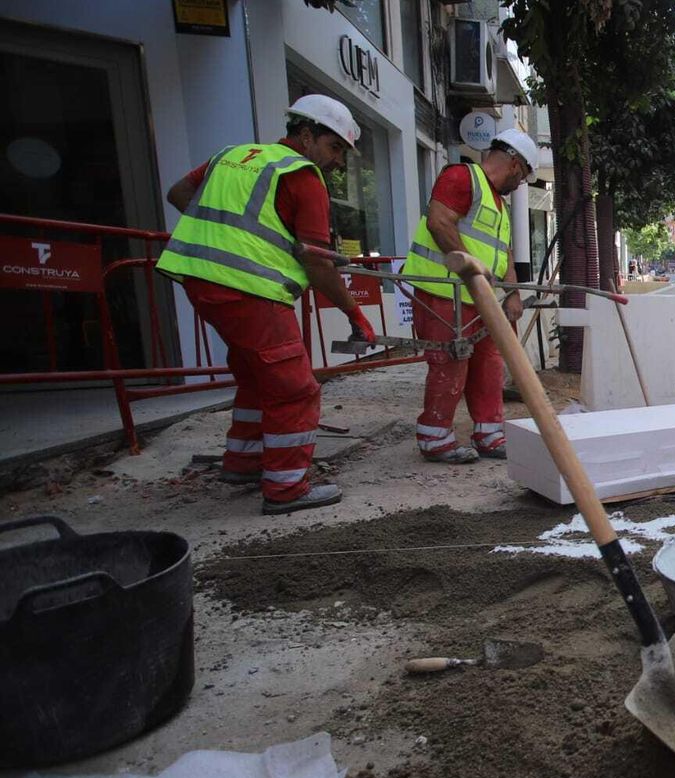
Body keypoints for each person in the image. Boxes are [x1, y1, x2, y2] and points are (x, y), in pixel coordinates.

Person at [156, 95, 372, 515]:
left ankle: (243, 462)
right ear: (306, 135)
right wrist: (353, 312)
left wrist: (225, 236)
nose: (337, 162)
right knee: (294, 389)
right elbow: (318, 265)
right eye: (334, 148)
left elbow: (179, 193)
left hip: (201, 281)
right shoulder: (302, 175)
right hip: (249, 290)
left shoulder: (232, 155)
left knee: (258, 377)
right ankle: (287, 487)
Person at [401, 128, 536, 463]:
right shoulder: (462, 177)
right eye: (522, 179)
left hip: (478, 299)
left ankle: (489, 434)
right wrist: (473, 271)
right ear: (515, 165)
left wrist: (513, 295)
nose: (519, 186)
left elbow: (503, 253)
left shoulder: (498, 206)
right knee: (451, 363)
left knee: (490, 363)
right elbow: (439, 223)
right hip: (444, 294)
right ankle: (435, 438)